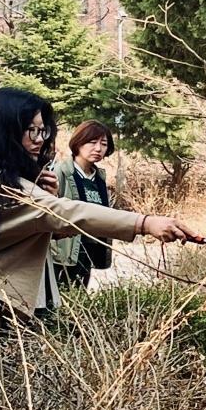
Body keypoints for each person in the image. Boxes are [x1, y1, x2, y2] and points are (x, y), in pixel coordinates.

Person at [0, 89, 199, 317]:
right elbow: (68, 212)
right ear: (6, 132)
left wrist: (47, 197)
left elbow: (36, 224)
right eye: (31, 130)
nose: (39, 139)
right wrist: (145, 223)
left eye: (43, 131)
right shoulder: (9, 187)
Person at [52, 120, 117, 289]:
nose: (98, 148)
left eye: (104, 144)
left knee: (79, 294)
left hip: (89, 250)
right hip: (62, 252)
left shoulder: (99, 178)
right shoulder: (61, 172)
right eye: (92, 142)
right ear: (78, 142)